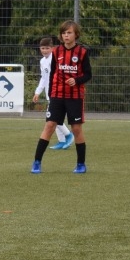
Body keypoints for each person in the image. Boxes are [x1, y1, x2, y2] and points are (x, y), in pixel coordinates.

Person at [31, 20, 90, 174]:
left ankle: (81, 164)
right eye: (64, 33)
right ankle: (36, 162)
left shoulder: (82, 52)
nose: (66, 35)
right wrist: (51, 93)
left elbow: (88, 75)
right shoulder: (56, 52)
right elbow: (52, 74)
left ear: (75, 34)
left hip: (74, 97)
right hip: (57, 96)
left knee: (76, 129)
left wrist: (76, 80)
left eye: (69, 32)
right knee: (49, 126)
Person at [30, 35, 72, 150]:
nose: (44, 50)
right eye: (42, 48)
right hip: (50, 93)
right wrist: (37, 92)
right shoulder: (42, 61)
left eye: (47, 48)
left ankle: (68, 135)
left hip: (57, 92)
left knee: (52, 118)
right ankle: (62, 141)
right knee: (53, 118)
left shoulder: (55, 59)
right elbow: (43, 78)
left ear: (52, 48)